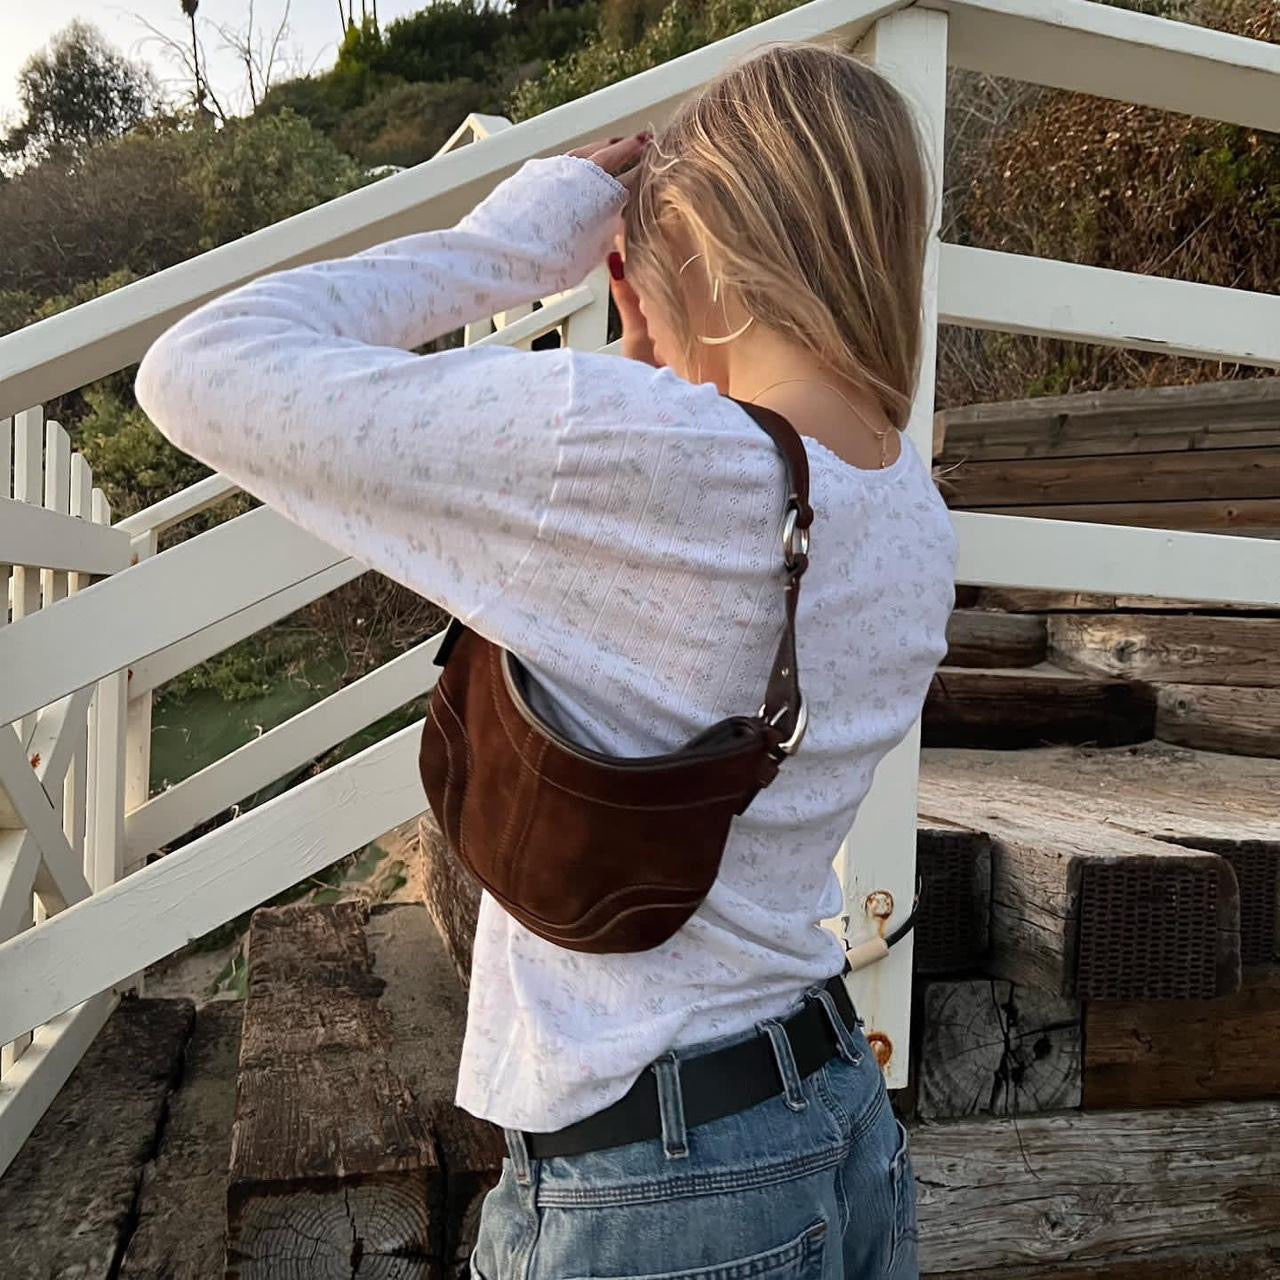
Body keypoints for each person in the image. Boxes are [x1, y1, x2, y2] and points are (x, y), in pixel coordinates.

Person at [136, 40, 955, 1280]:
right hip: (831, 1106)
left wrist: (516, 242)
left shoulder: (637, 454)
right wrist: (660, 351)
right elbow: (679, 589)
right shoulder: (910, 504)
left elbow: (193, 371)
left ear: (715, 255)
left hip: (657, 1174)